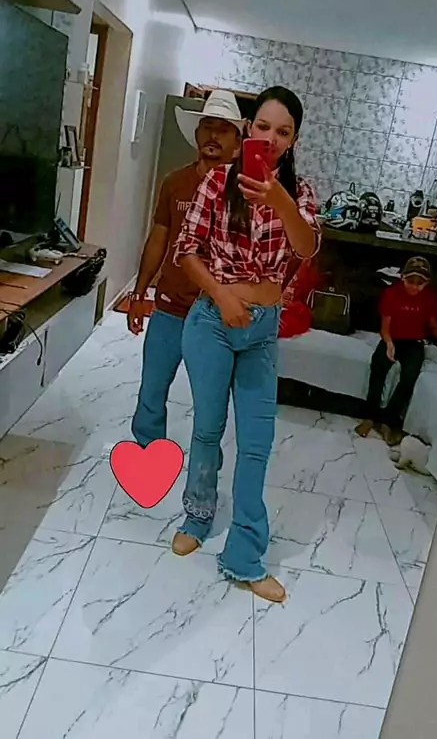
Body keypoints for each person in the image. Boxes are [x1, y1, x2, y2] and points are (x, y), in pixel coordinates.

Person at [172, 86, 320, 603]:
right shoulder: (217, 182)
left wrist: (278, 198)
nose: (271, 138)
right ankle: (197, 515)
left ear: (293, 139)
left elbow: (306, 247)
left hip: (261, 331)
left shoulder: (299, 193)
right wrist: (222, 296)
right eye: (263, 127)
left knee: (257, 442)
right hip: (212, 322)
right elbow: (186, 249)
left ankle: (245, 556)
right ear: (247, 129)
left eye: (283, 131)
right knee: (208, 428)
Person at [129, 90, 244, 447]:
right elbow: (159, 237)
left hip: (214, 315)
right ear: (196, 134)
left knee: (210, 404)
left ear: (237, 142)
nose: (213, 135)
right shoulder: (174, 182)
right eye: (207, 127)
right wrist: (139, 292)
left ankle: (204, 470)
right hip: (169, 308)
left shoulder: (246, 193)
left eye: (223, 129)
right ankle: (148, 457)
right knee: (151, 391)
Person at [356, 256, 437, 446]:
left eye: (420, 283)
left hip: (414, 343)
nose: (415, 287)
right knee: (378, 368)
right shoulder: (391, 294)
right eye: (411, 281)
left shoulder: (430, 299)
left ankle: (389, 420)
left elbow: (433, 326)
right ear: (402, 278)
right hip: (392, 338)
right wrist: (389, 344)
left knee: (409, 377)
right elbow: (385, 327)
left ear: (427, 283)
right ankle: (369, 416)